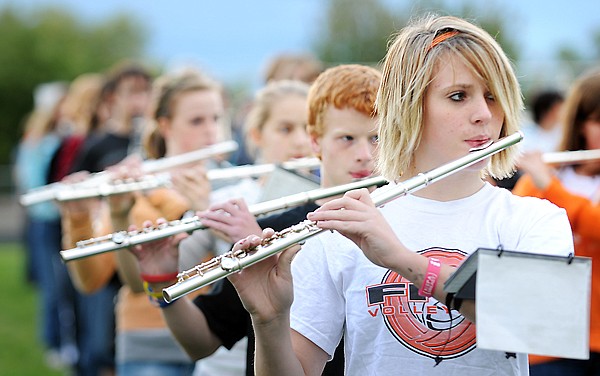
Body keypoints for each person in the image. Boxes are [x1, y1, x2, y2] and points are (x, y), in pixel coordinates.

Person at [227, 14, 575, 376]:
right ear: (408, 107)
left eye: (493, 96)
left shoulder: (533, 218)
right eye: (459, 96)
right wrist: (269, 320)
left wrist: (401, 260)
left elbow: (544, 319)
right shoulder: (344, 228)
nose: (485, 115)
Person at [129, 63, 382, 376]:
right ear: (315, 141)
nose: (365, 155)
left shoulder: (400, 225)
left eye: (376, 137)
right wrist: (161, 283)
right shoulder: (274, 230)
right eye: (347, 138)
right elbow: (202, 341)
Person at [62, 68, 224, 375]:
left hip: (220, 342)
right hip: (148, 346)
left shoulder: (235, 185)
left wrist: (201, 206)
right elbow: (90, 280)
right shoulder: (136, 183)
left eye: (216, 118)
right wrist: (79, 216)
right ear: (165, 125)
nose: (211, 132)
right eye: (197, 121)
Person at [513, 68, 600, 375]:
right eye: (597, 120)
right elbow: (513, 237)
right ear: (579, 124)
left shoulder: (547, 181)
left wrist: (548, 186)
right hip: (548, 340)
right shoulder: (547, 176)